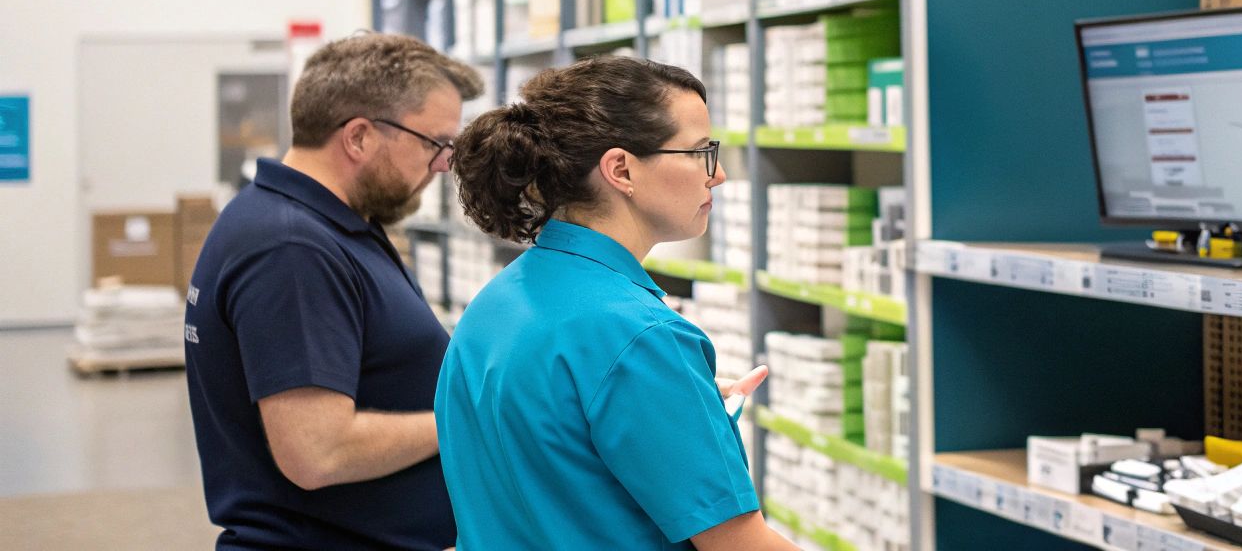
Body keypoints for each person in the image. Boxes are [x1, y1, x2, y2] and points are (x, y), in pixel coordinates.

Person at [436, 56, 800, 550]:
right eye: (700, 153)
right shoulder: (640, 337)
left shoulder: (496, 303)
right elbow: (739, 545)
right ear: (622, 169)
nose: (718, 177)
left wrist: (683, 403)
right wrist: (661, 378)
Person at [184, 33, 484, 550]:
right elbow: (315, 453)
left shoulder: (327, 225)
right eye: (434, 143)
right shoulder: (291, 248)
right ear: (360, 137)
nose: (442, 164)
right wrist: (466, 418)